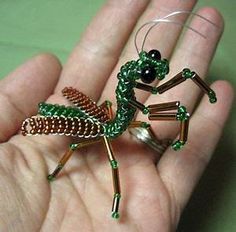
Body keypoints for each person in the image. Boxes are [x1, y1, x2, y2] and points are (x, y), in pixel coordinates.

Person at [0, 1, 234, 231]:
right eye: (149, 70)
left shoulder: (130, 91)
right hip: (102, 129)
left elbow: (153, 93)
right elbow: (153, 95)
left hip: (110, 119)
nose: (156, 68)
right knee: (100, 156)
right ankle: (112, 196)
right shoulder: (129, 100)